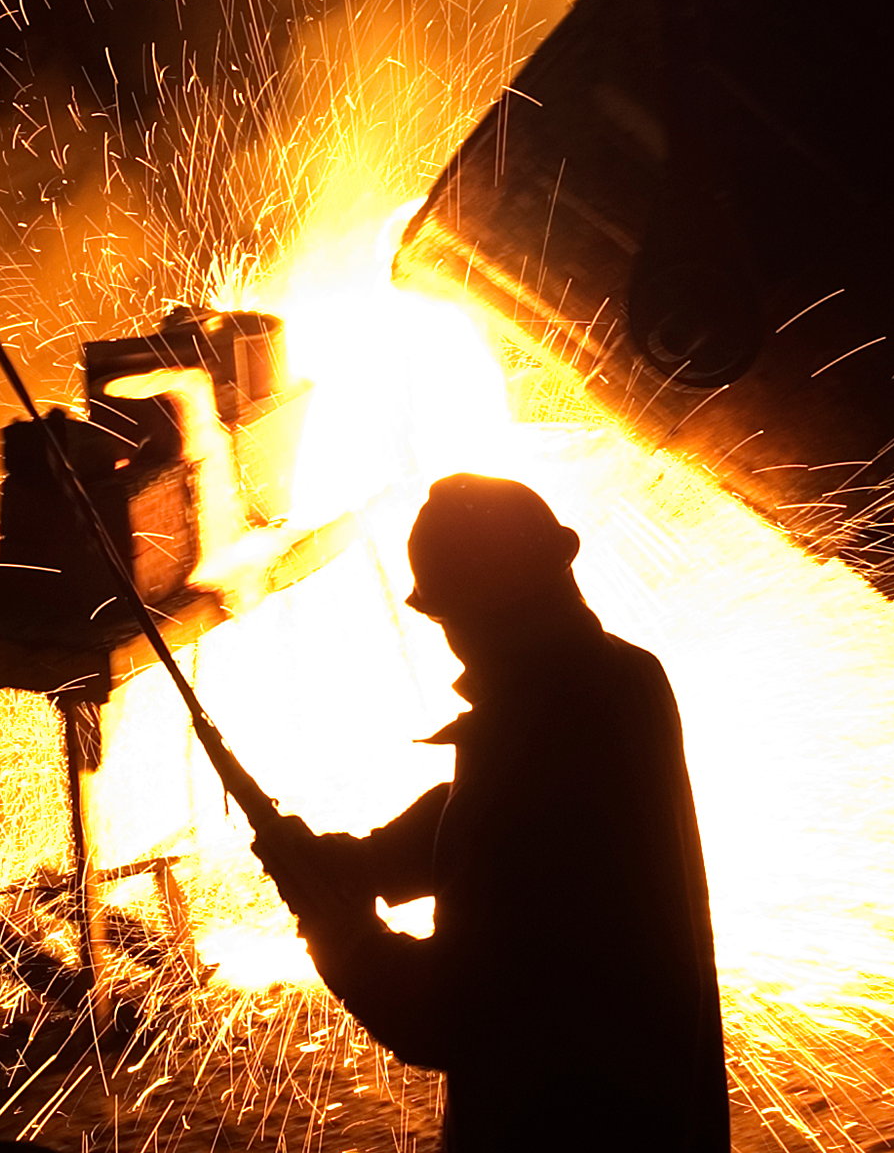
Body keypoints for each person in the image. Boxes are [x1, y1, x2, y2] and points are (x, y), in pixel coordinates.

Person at [252, 474, 730, 1152]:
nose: (452, 639)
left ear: (475, 611)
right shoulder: (624, 680)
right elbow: (481, 805)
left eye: (448, 616)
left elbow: (449, 1016)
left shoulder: (533, 741)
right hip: (665, 1112)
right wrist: (372, 859)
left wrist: (340, 930)